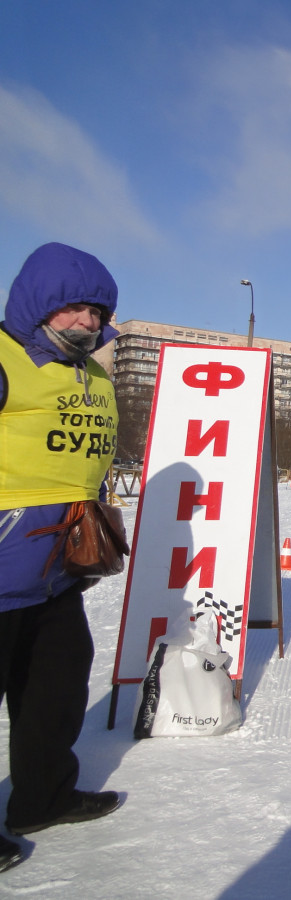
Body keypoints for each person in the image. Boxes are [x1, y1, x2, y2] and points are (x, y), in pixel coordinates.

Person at [0, 243, 124, 871]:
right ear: (39, 303)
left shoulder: (91, 372)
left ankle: (40, 797)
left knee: (58, 682)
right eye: (73, 307)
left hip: (54, 568)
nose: (86, 321)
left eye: (97, 311)